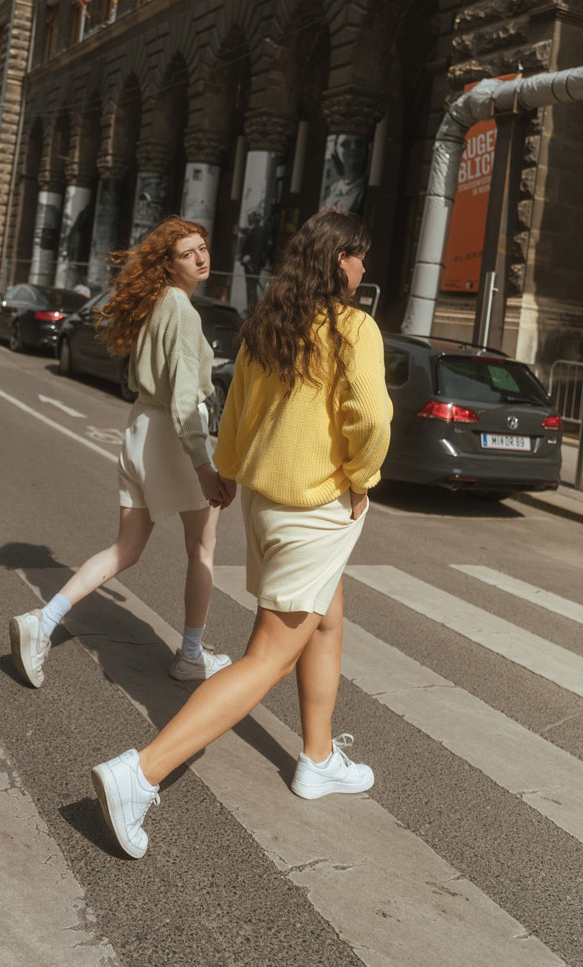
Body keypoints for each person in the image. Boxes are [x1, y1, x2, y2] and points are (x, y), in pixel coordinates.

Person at [91, 209, 392, 858]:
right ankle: (140, 774)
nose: (364, 269)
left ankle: (316, 756)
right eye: (359, 256)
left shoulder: (268, 328)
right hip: (315, 509)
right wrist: (363, 476)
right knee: (266, 657)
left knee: (328, 616)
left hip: (266, 505)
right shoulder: (351, 328)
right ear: (338, 260)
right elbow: (368, 414)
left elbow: (237, 409)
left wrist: (223, 474)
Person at [9, 216, 233, 690]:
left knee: (125, 548)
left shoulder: (154, 306)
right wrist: (204, 467)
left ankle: (43, 621)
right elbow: (186, 401)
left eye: (203, 248)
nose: (201, 257)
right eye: (188, 253)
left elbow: (136, 381)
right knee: (202, 549)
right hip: (175, 439)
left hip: (140, 430)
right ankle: (191, 655)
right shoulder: (185, 315)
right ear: (168, 265)